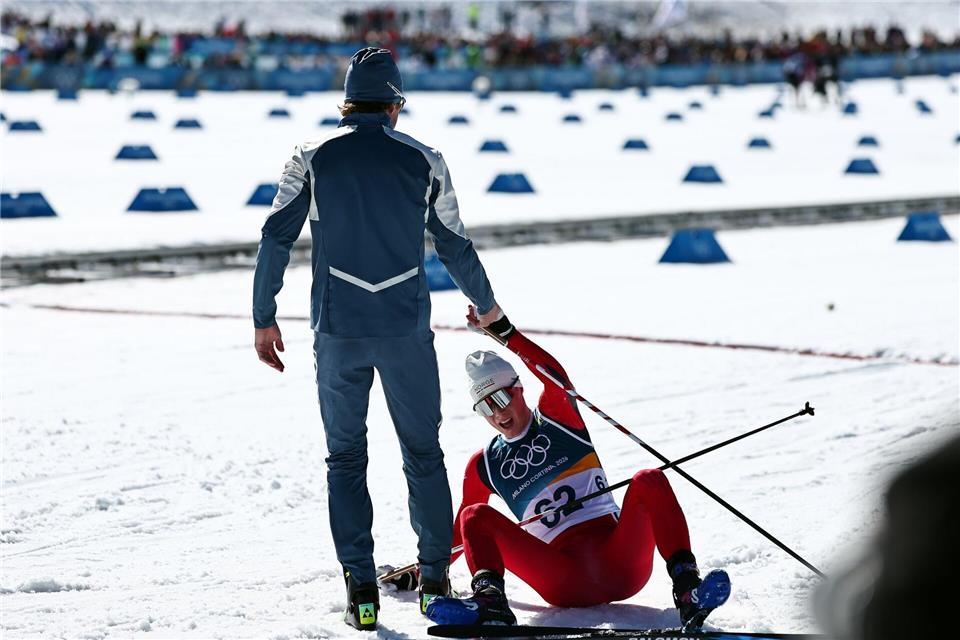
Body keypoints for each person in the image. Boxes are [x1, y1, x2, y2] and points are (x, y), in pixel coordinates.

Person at [252, 47, 504, 631]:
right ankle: (436, 582)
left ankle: (360, 591)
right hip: (404, 333)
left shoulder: (310, 158)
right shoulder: (426, 159)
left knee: (345, 459)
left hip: (337, 332)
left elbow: (274, 239)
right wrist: (487, 306)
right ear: (395, 105)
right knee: (423, 455)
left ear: (346, 104)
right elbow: (454, 244)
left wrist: (263, 315)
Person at [422, 309, 730, 630]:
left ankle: (687, 590)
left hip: (620, 563)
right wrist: (424, 570)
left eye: (500, 397)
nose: (497, 412)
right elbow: (462, 535)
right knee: (474, 514)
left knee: (649, 479)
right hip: (562, 578)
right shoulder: (485, 464)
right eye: (485, 405)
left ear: (519, 389)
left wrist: (505, 333)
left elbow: (553, 374)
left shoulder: (557, 418)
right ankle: (490, 603)